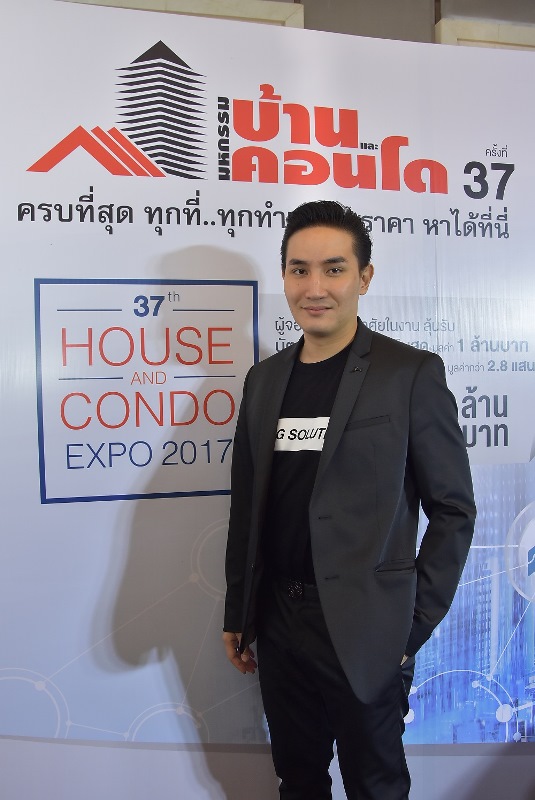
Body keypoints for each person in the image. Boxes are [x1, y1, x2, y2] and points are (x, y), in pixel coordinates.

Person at [223, 200, 476, 799]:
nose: (315, 288)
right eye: (299, 269)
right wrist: (239, 611)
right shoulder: (263, 380)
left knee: (376, 786)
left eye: (334, 269)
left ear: (364, 277)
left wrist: (409, 626)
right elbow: (246, 505)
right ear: (284, 276)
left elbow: (454, 510)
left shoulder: (408, 374)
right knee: (298, 781)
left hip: (367, 628)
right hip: (279, 620)